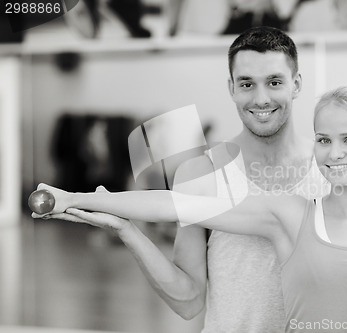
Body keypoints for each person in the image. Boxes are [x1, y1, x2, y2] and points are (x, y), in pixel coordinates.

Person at [34, 85, 347, 333]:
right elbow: (180, 203)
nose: (334, 153)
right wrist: (84, 200)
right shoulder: (290, 215)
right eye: (323, 139)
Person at [44, 26, 329, 332]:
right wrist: (127, 230)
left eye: (274, 82)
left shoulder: (333, 168)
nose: (261, 98)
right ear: (231, 88)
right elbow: (189, 300)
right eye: (247, 84)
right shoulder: (201, 173)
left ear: (296, 84)